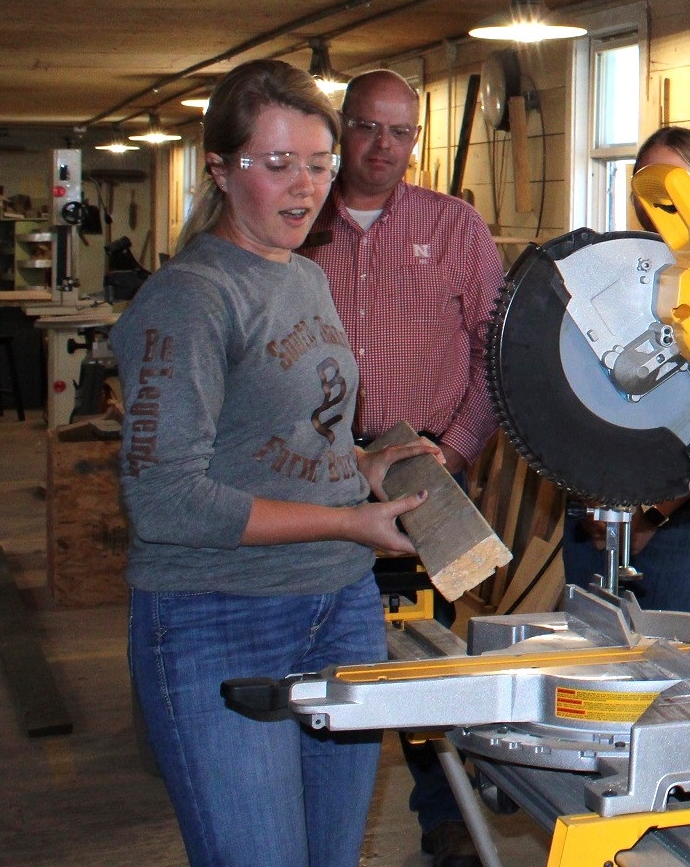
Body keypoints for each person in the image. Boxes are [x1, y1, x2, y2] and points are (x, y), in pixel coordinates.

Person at [110, 59, 441, 867]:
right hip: (221, 616)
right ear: (221, 169)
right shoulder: (191, 298)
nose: (305, 187)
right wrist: (349, 521)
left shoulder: (302, 275)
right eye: (278, 164)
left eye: (319, 165)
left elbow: (296, 437)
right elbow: (166, 500)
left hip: (340, 607)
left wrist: (366, 463)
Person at [298, 70, 505, 867]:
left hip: (430, 477)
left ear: (417, 139)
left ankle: (445, 816)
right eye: (367, 128)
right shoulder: (299, 222)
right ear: (340, 127)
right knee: (319, 645)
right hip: (313, 475)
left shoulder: (455, 226)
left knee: (428, 654)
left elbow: (494, 349)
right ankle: (310, 811)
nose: (383, 148)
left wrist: (452, 451)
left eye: (401, 133)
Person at [562, 126, 690, 620]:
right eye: (650, 186)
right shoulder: (608, 272)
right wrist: (596, 503)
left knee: (677, 678)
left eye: (679, 187)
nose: (662, 201)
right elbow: (569, 390)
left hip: (689, 519)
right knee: (591, 676)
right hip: (597, 507)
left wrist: (648, 516)